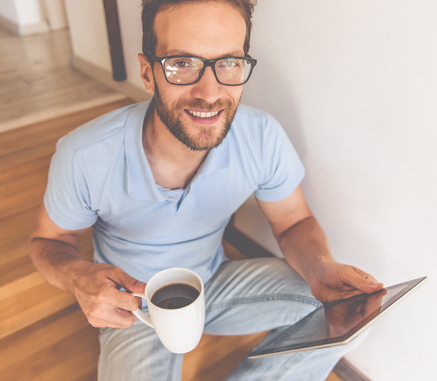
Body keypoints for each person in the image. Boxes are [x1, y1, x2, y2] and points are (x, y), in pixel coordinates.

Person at [30, 0, 383, 380]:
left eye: (228, 62)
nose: (211, 92)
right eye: (182, 63)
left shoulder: (261, 136)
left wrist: (319, 267)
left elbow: (293, 221)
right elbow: (49, 241)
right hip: (134, 304)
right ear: (148, 73)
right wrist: (77, 276)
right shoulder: (84, 154)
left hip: (214, 283)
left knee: (351, 309)